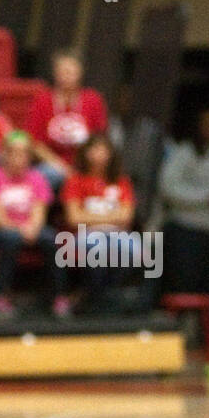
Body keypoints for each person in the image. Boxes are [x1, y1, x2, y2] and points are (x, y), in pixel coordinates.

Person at [0, 131, 63, 317]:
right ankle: (1, 297)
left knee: (51, 239)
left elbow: (40, 214)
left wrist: (31, 228)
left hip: (31, 228)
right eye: (13, 152)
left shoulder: (37, 179)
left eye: (23, 153)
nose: (18, 158)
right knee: (11, 239)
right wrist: (21, 229)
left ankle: (56, 296)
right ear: (5, 154)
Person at [157, 108, 209, 311]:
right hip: (185, 229)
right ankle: (177, 331)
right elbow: (168, 188)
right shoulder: (183, 152)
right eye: (206, 124)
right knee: (182, 284)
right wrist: (206, 198)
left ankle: (206, 334)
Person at [60, 134, 137, 313]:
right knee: (97, 246)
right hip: (83, 233)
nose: (99, 155)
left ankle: (111, 294)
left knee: (133, 248)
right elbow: (74, 218)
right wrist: (110, 216)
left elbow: (127, 216)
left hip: (117, 233)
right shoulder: (75, 180)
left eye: (103, 150)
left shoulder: (121, 181)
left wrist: (92, 216)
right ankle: (94, 295)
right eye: (94, 150)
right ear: (85, 154)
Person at [25, 49, 108, 192]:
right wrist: (61, 167)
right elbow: (34, 143)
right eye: (62, 71)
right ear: (55, 73)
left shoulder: (93, 99)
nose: (66, 76)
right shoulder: (42, 100)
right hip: (51, 163)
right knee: (40, 177)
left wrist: (85, 165)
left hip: (86, 163)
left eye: (71, 72)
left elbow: (99, 140)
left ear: (80, 73)